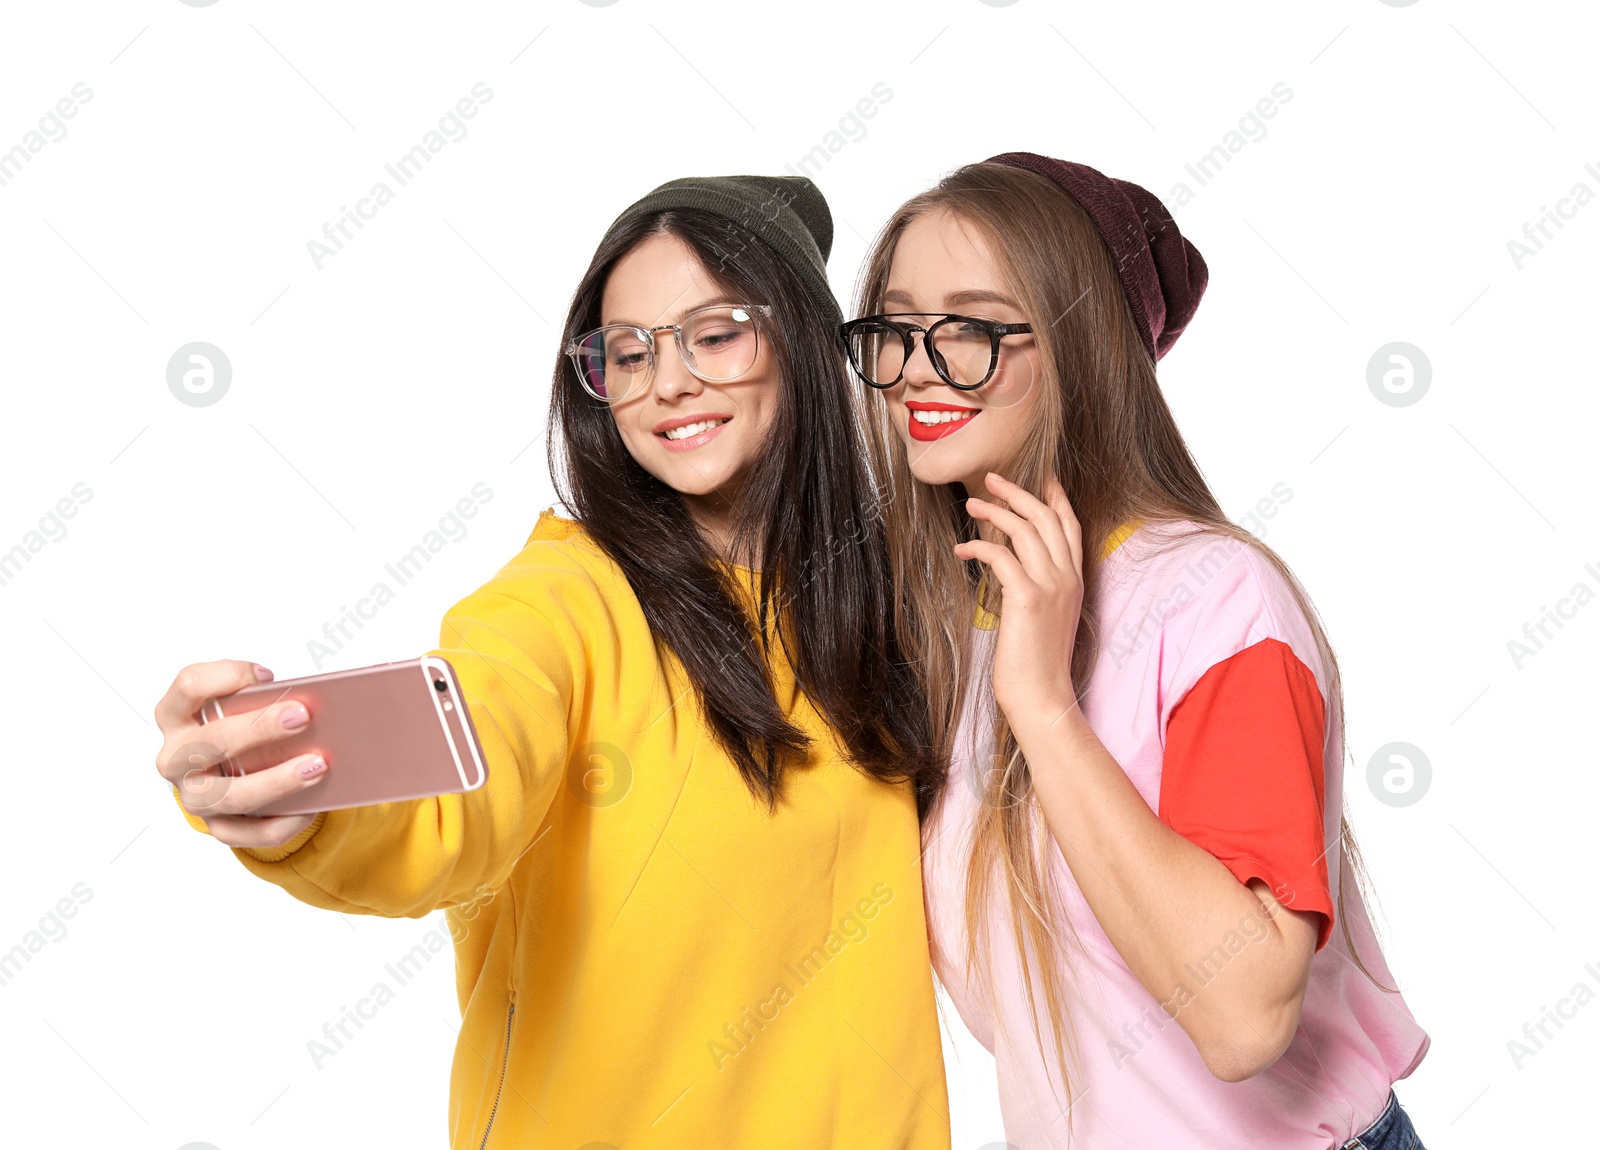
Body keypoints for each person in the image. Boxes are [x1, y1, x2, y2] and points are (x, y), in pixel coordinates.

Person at [156, 173, 951, 1148]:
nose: (667, 382)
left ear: (799, 340)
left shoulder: (882, 613)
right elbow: (461, 781)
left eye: (714, 333)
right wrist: (301, 801)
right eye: (627, 351)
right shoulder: (563, 600)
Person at [843, 152, 1429, 1149]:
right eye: (897, 329)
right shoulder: (963, 623)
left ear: (1085, 352)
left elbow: (1243, 1015)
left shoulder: (1216, 602)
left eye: (973, 329)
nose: (915, 369)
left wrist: (1043, 703)